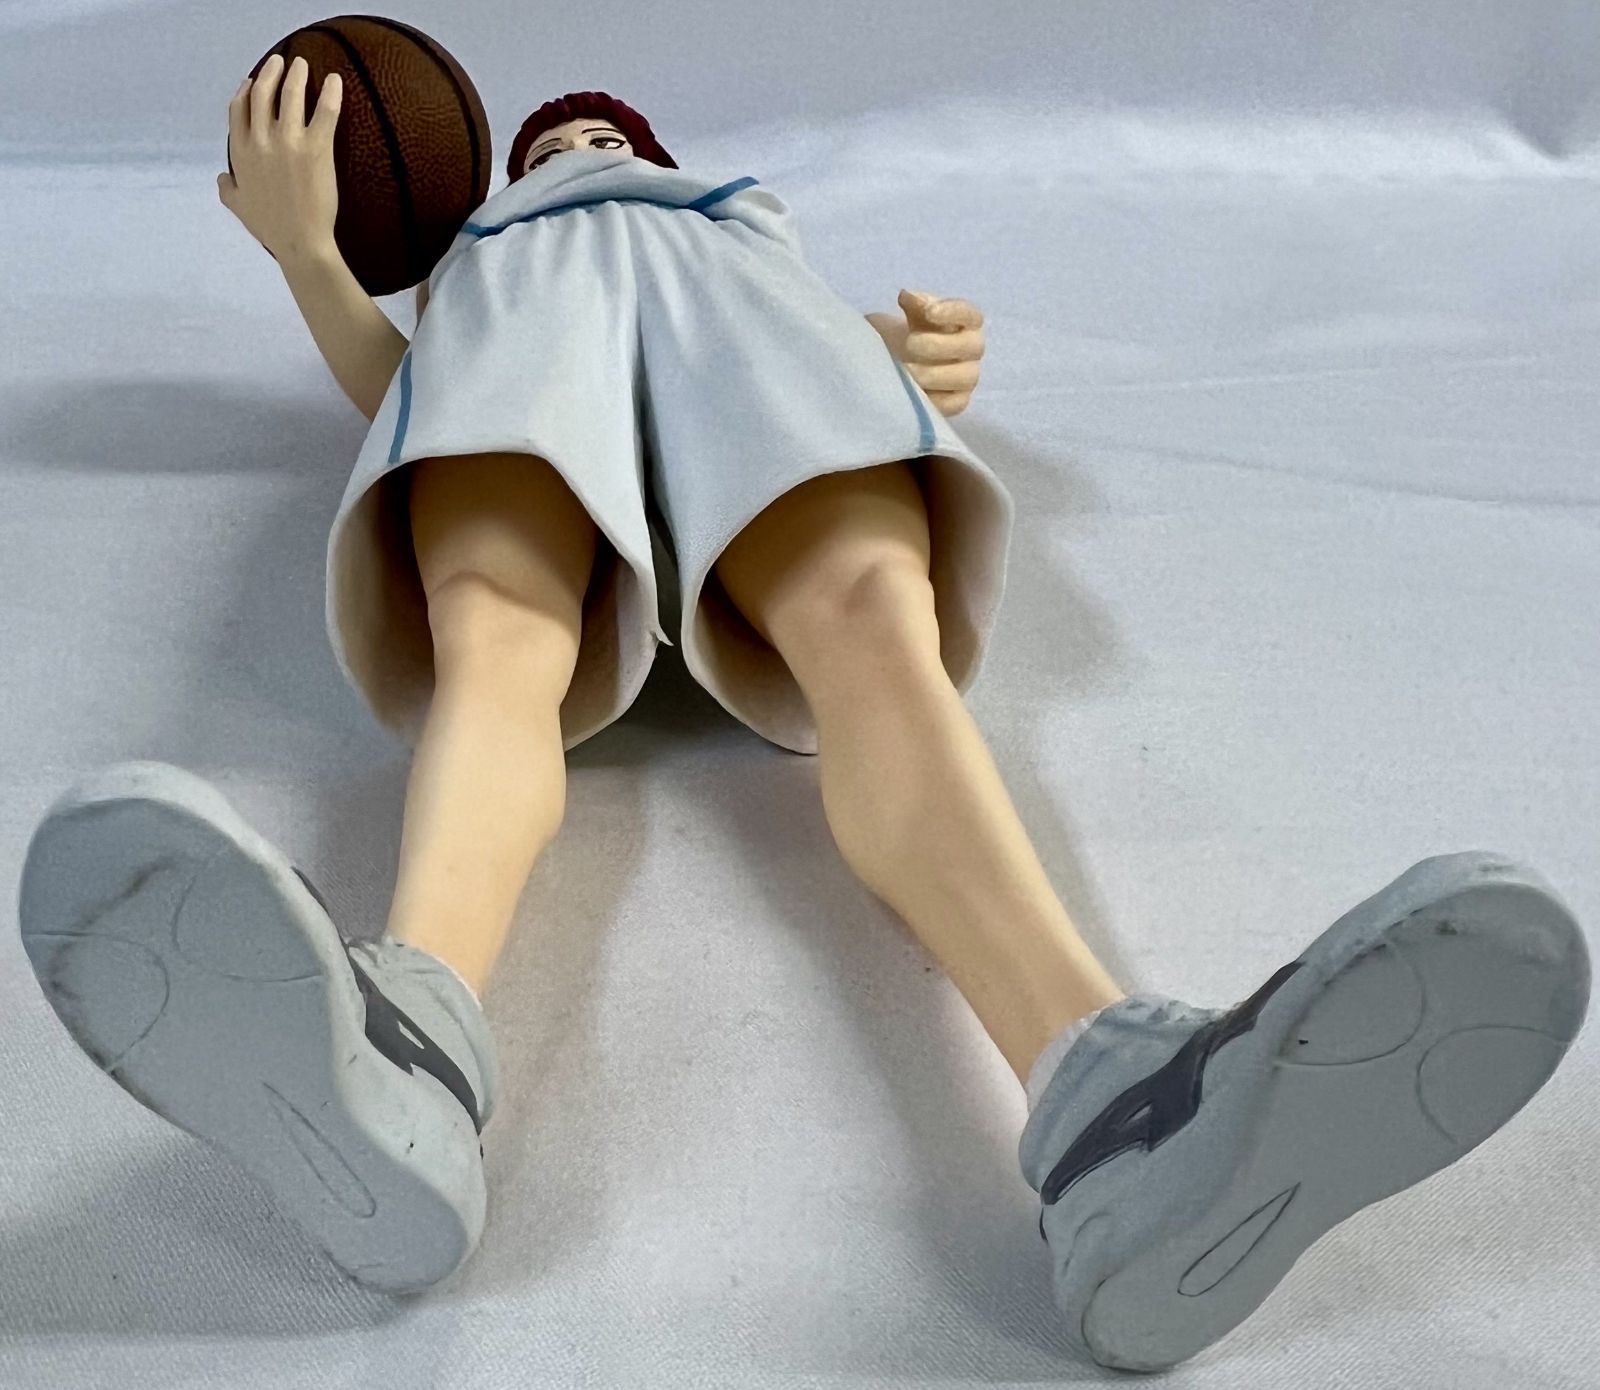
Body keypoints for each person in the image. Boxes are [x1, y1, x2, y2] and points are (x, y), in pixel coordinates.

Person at [16, 53, 1591, 1373]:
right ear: (495, 179)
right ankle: (404, 1052)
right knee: (496, 629)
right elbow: (401, 381)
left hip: (752, 374)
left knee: (872, 626)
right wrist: (310, 256)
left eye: (602, 132)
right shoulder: (485, 265)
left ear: (652, 152)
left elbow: (814, 351)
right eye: (556, 139)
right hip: (525, 376)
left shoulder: (739, 229)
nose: (580, 142)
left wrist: (909, 359)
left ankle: (1121, 1105)